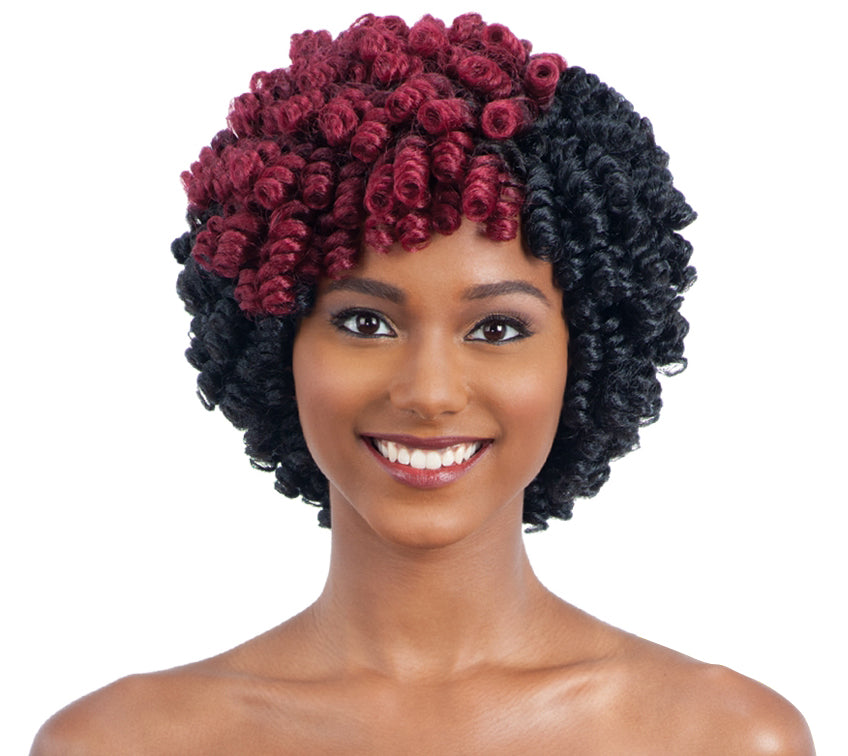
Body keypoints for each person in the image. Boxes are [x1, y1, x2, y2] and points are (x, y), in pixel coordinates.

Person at [31, 12, 814, 754]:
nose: (430, 393)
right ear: (273, 342)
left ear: (587, 355)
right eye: (365, 322)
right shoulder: (121, 743)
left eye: (497, 329)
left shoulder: (723, 739)